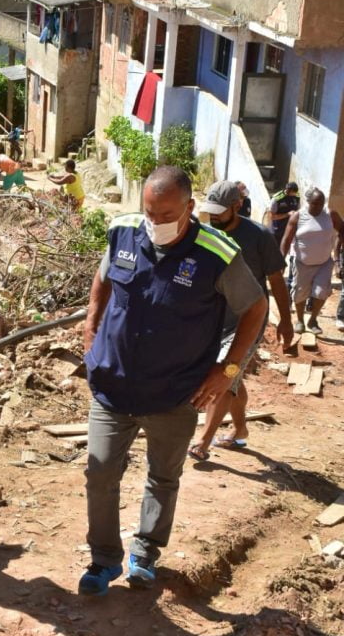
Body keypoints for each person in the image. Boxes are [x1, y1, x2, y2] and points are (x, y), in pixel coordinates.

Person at [80, 165, 266, 595]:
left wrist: (228, 370)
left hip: (175, 392)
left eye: (166, 215)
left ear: (189, 207)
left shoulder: (217, 253)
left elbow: (254, 310)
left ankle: (144, 552)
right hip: (114, 383)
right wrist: (91, 327)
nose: (155, 222)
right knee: (100, 471)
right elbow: (102, 280)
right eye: (149, 212)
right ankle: (103, 560)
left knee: (163, 476)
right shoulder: (124, 231)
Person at [188, 181, 294, 460]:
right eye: (209, 212)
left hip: (245, 324)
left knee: (224, 372)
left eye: (219, 212)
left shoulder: (259, 236)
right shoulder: (206, 231)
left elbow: (276, 280)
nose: (213, 217)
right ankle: (240, 430)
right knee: (232, 378)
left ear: (236, 206)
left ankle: (203, 442)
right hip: (213, 321)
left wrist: (286, 320)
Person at [281, 187, 344, 334]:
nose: (318, 207)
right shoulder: (298, 216)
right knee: (300, 293)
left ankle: (313, 320)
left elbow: (342, 230)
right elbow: (286, 239)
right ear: (308, 202)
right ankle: (300, 320)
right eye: (315, 204)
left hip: (324, 263)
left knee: (321, 292)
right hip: (302, 263)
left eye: (321, 203)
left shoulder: (330, 214)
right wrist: (280, 261)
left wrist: (337, 257)